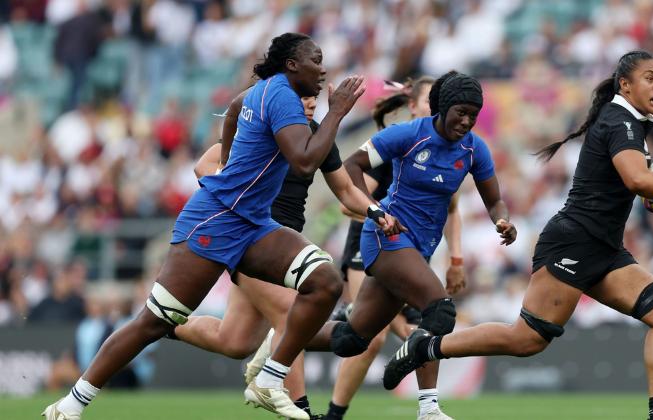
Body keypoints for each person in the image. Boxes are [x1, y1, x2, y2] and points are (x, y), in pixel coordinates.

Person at [43, 32, 386, 420]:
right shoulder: (281, 97)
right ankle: (70, 406)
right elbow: (304, 161)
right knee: (153, 322)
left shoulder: (264, 91)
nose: (323, 69)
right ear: (292, 65)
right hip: (217, 221)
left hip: (256, 225)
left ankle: (270, 379)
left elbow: (236, 109)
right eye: (315, 59)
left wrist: (228, 155)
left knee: (323, 283)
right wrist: (338, 110)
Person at [382, 51, 653, 420]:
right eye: (649, 77)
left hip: (604, 249)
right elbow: (636, 179)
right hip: (574, 244)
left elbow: (637, 186)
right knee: (525, 339)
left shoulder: (629, 122)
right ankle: (427, 347)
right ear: (625, 85)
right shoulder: (621, 121)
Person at [304, 70, 516, 420]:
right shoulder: (406, 135)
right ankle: (426, 405)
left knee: (352, 339)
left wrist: (502, 221)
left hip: (419, 249)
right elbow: (351, 166)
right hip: (385, 237)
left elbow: (494, 201)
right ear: (442, 107)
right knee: (439, 310)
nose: (466, 121)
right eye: (460, 112)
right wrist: (371, 210)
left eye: (473, 116)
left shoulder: (475, 149)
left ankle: (280, 341)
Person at [174, 93, 395, 419]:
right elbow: (204, 165)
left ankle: (165, 323)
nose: (309, 102)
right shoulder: (261, 126)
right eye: (302, 96)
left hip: (286, 245)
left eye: (313, 97)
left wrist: (377, 211)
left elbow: (347, 191)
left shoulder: (319, 135)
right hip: (249, 239)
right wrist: (235, 200)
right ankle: (300, 408)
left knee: (235, 340)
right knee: (294, 314)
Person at [324, 77, 466, 420]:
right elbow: (349, 200)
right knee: (371, 334)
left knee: (421, 323)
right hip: (373, 240)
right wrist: (381, 213)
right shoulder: (399, 143)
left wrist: (457, 258)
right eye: (432, 102)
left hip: (411, 249)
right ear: (413, 105)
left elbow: (451, 208)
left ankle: (428, 406)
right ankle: (333, 411)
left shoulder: (449, 150)